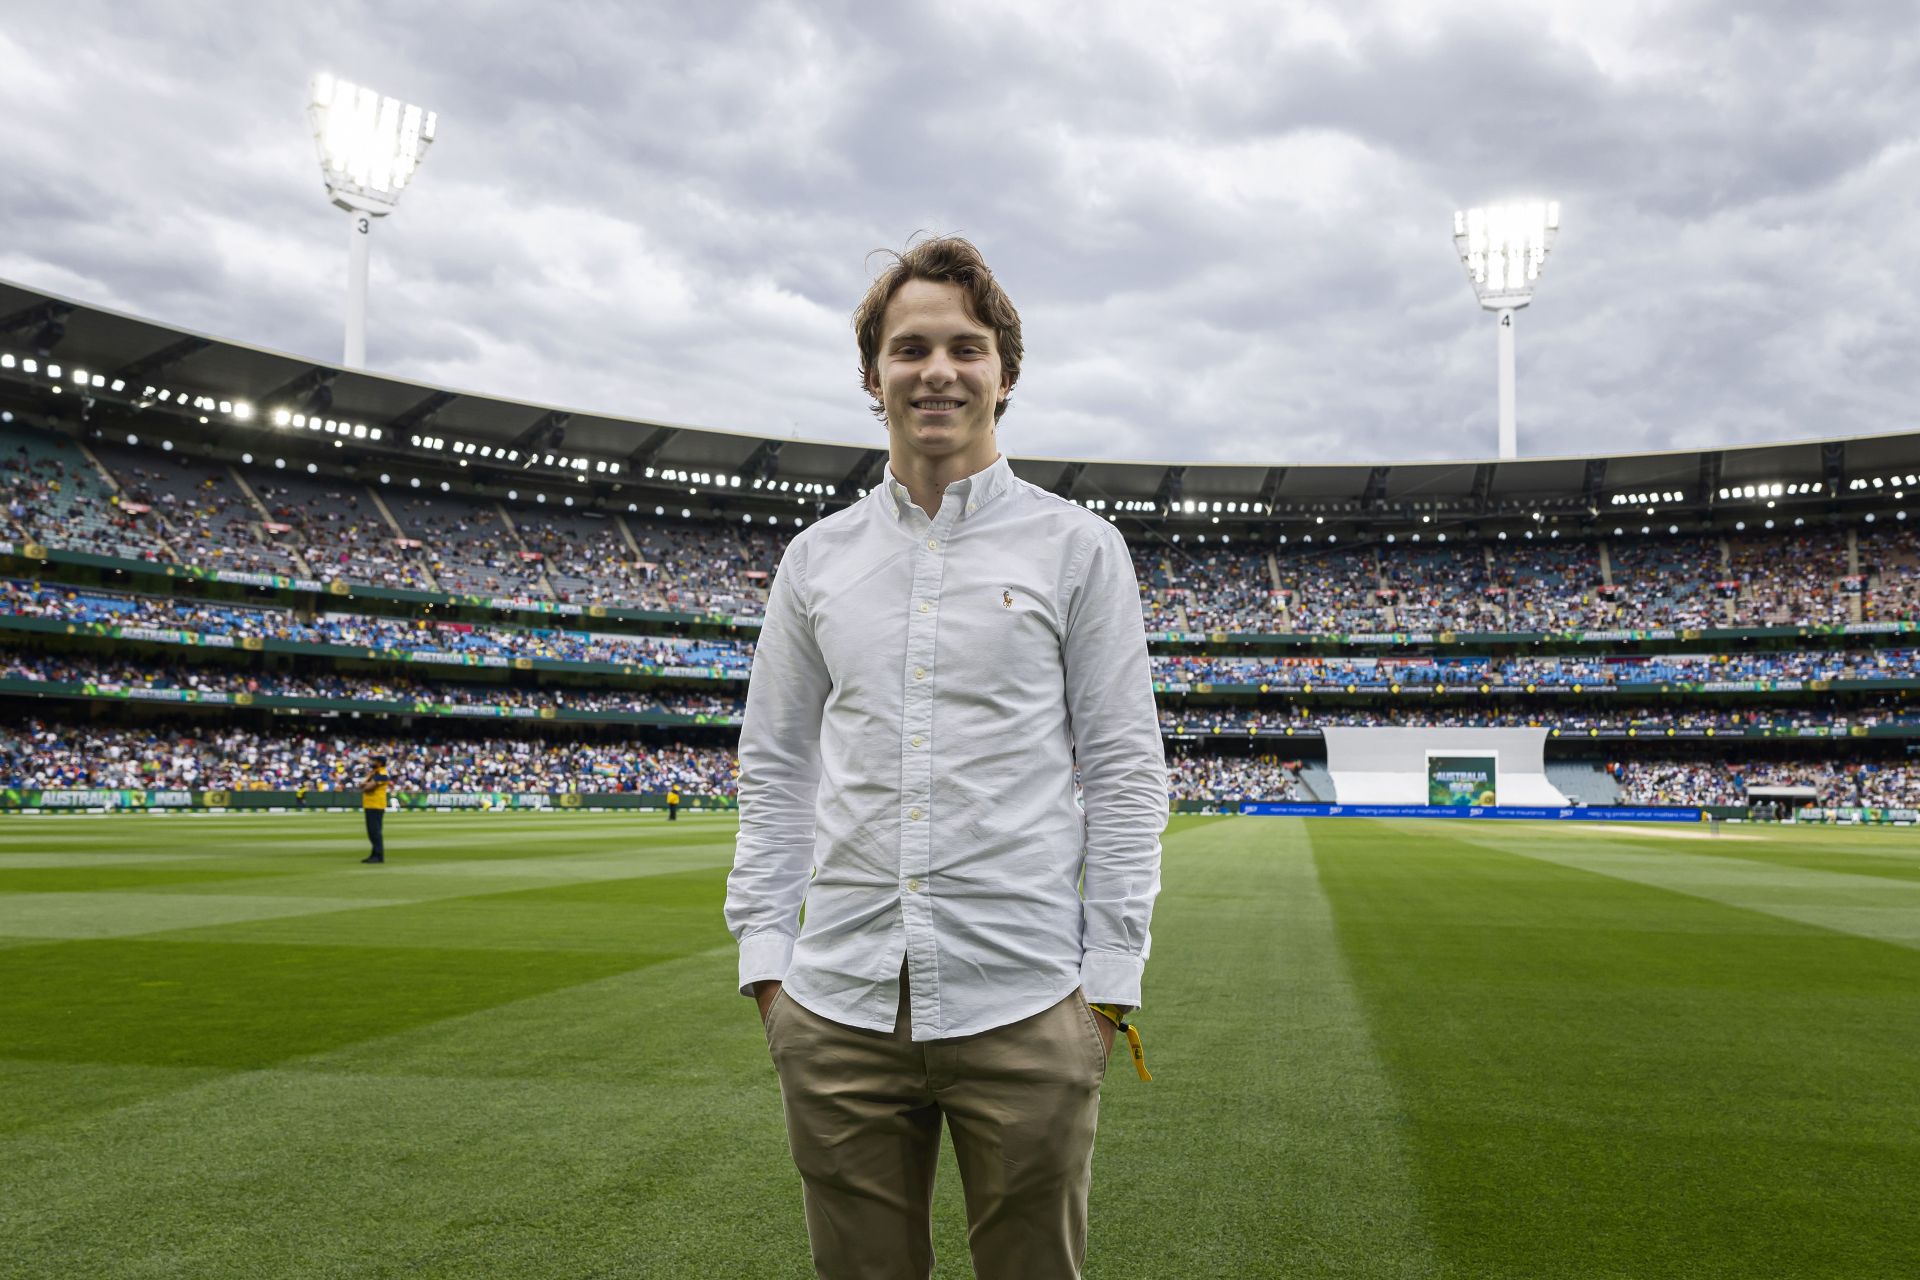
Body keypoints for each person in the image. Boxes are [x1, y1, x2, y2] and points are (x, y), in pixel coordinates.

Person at [725, 236, 1167, 1279]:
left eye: (965, 347)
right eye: (909, 346)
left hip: (1024, 997)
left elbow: (1123, 767)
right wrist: (766, 968)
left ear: (1004, 373)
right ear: (872, 374)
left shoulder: (1077, 547)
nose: (937, 370)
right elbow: (777, 763)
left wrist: (1107, 985)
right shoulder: (818, 557)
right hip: (835, 1005)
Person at [360, 755, 389, 863]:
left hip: (376, 805)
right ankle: (374, 854)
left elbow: (368, 787)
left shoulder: (382, 774)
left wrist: (364, 785)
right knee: (372, 832)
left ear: (380, 763)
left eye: (374, 760)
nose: (372, 762)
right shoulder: (374, 773)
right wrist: (364, 785)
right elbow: (362, 785)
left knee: (375, 832)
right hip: (370, 805)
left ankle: (378, 856)